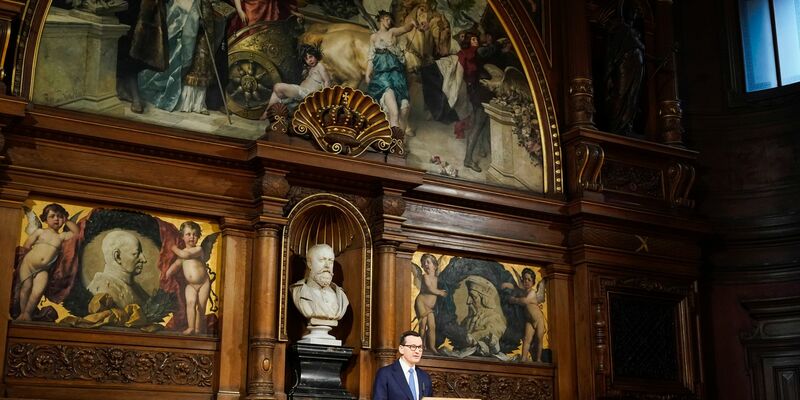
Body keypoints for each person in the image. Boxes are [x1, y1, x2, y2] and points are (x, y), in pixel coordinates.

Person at [16, 203, 78, 321]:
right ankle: (21, 313)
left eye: (60, 217)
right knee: (26, 287)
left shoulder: (62, 236)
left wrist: (67, 221)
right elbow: (27, 245)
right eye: (52, 216)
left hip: (43, 270)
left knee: (37, 291)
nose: (56, 219)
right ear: (45, 218)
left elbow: (76, 233)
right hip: (28, 265)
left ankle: (27, 313)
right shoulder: (40, 232)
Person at [365, 10, 417, 135]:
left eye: (390, 19)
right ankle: (395, 145)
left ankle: (400, 142)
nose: (389, 22)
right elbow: (371, 57)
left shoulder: (392, 32)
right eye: (387, 19)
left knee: (404, 109)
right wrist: (367, 74)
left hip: (397, 75)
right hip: (382, 76)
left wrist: (412, 23)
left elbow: (405, 28)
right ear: (381, 19)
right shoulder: (373, 37)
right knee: (393, 111)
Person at [166, 221, 213, 335]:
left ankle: (198, 329)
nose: (192, 237)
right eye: (188, 234)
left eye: (195, 234)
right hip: (190, 285)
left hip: (203, 283)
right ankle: (191, 327)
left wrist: (173, 247)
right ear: (182, 236)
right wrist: (167, 274)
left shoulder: (198, 250)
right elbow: (176, 265)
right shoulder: (182, 255)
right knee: (191, 303)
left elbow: (185, 255)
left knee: (201, 308)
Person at [260, 45, 331, 119]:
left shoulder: (319, 66)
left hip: (308, 94)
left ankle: (266, 114)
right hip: (301, 92)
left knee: (278, 86)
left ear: (315, 55)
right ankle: (266, 114)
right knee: (276, 94)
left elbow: (327, 81)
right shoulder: (310, 69)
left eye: (311, 57)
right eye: (306, 59)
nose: (309, 60)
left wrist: (325, 99)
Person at [87, 230, 150, 308]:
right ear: (117, 257)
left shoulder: (135, 287)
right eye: (136, 254)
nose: (144, 259)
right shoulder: (104, 292)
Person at [290, 243, 349, 322]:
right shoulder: (298, 291)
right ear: (309, 264)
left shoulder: (341, 296)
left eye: (330, 261)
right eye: (322, 260)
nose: (327, 265)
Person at [372, 330, 434, 400]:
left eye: (420, 347)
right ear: (401, 349)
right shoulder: (385, 374)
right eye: (412, 347)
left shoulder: (425, 377)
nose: (417, 351)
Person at [462, 276, 507, 356]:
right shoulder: (466, 321)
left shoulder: (495, 320)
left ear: (485, 300)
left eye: (473, 297)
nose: (468, 301)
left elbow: (493, 334)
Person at [508, 268, 546, 362]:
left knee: (539, 339)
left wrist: (515, 300)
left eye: (529, 280)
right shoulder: (522, 292)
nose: (526, 281)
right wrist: (512, 298)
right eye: (524, 279)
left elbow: (525, 301)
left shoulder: (532, 292)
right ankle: (524, 358)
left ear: (533, 282)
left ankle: (538, 359)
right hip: (529, 320)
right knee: (526, 339)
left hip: (538, 320)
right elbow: (511, 297)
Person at [414, 254, 447, 354]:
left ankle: (432, 347)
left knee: (432, 326)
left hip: (430, 307)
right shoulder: (425, 277)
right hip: (421, 302)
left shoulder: (437, 279)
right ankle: (420, 345)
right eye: (424, 263)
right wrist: (440, 292)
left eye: (428, 262)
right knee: (423, 325)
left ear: (435, 266)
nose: (426, 264)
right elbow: (429, 288)